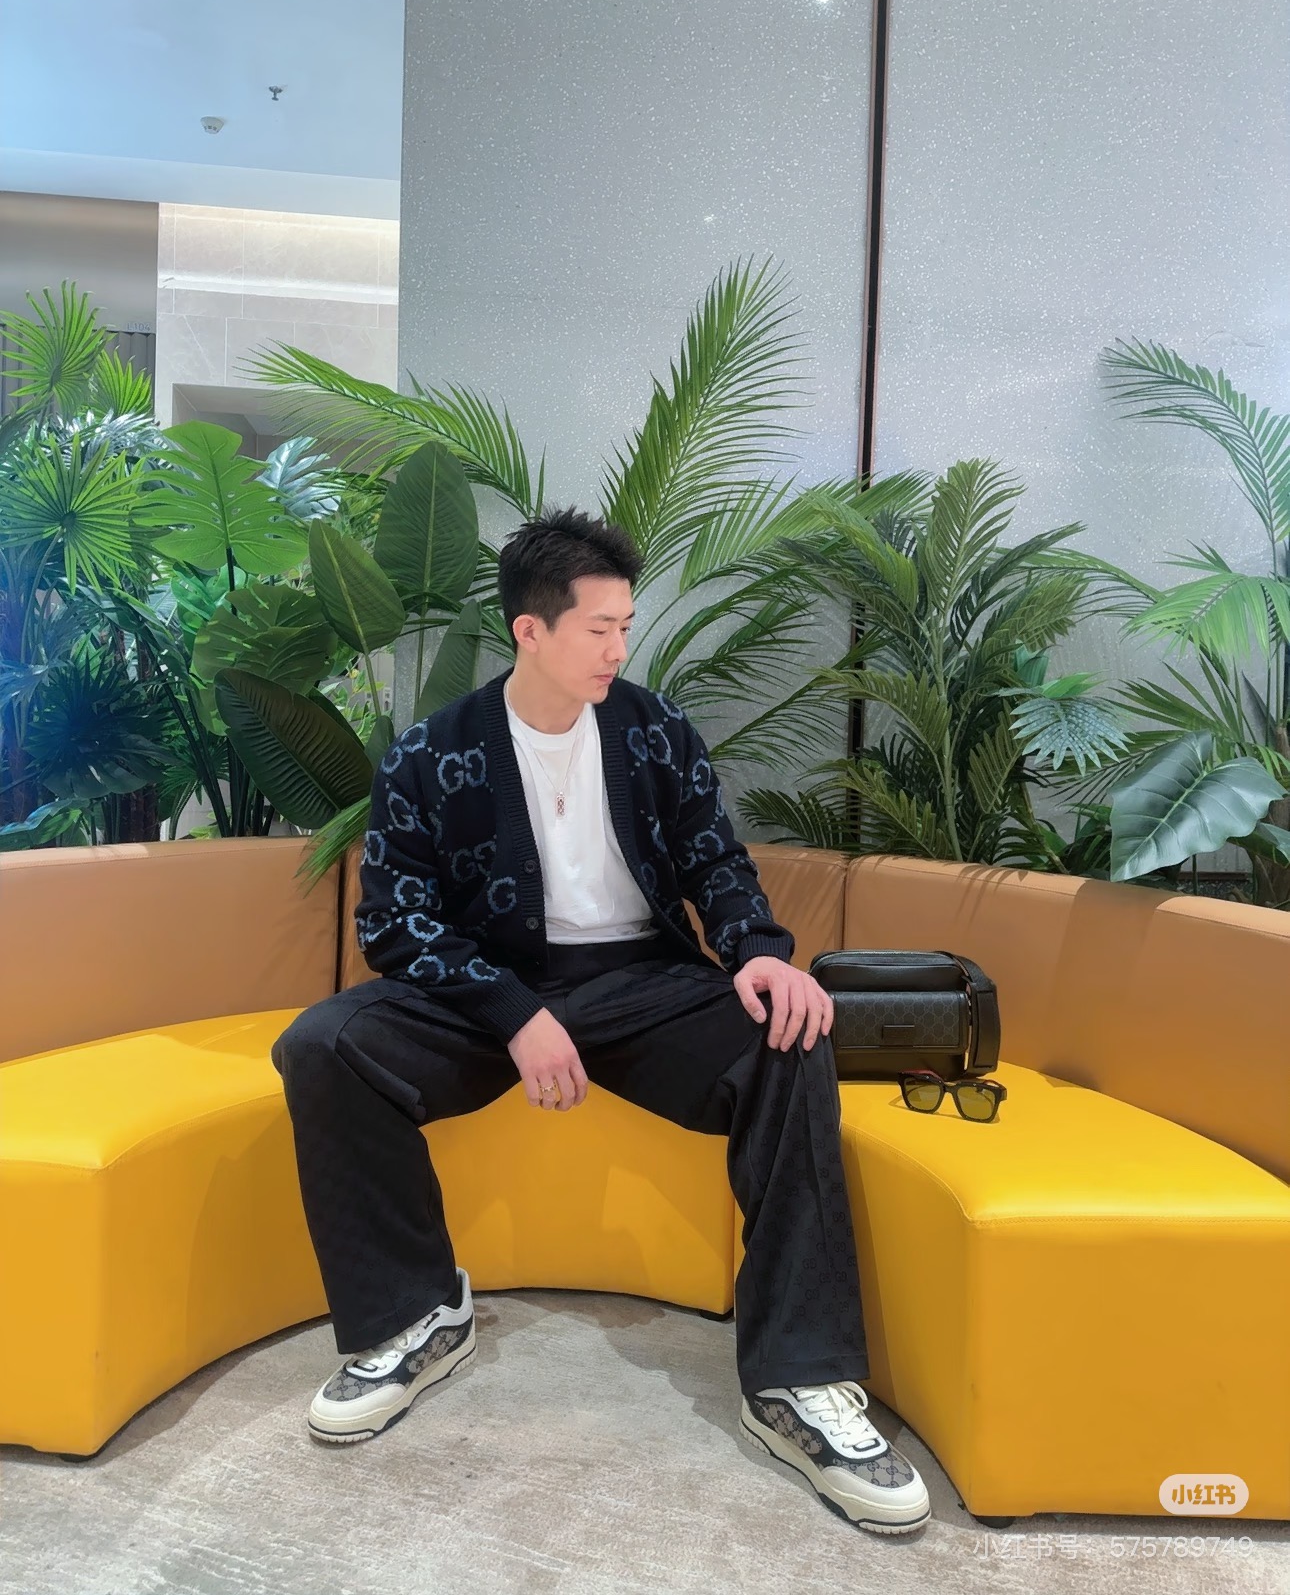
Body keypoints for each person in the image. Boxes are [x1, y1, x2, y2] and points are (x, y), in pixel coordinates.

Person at [271, 506, 930, 1536]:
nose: (619, 648)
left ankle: (798, 1381)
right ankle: (415, 1315)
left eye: (626, 625)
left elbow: (716, 859)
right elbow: (393, 923)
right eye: (598, 629)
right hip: (487, 991)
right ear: (530, 631)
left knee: (788, 1041)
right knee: (323, 1046)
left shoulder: (653, 730)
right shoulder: (432, 753)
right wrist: (514, 1010)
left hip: (641, 982)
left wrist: (759, 951)